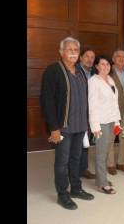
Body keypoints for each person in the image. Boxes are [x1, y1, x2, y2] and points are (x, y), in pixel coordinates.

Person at [40, 37, 94, 210]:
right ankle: (62, 194)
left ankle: (76, 189)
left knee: (76, 160)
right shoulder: (53, 71)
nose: (73, 53)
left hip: (79, 126)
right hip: (63, 127)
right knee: (62, 162)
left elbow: (85, 100)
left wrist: (88, 124)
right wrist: (53, 128)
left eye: (76, 50)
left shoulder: (80, 72)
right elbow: (47, 101)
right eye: (69, 49)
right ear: (61, 51)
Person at [88, 55, 120, 194]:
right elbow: (92, 106)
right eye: (102, 64)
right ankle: (102, 183)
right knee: (101, 153)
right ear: (96, 66)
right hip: (101, 122)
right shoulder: (93, 81)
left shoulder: (110, 80)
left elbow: (114, 103)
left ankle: (101, 178)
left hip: (111, 120)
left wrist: (117, 122)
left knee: (106, 151)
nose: (105, 66)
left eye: (107, 64)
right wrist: (95, 127)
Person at [108, 50, 124, 174]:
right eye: (118, 56)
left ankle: (121, 162)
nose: (121, 59)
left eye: (123, 57)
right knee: (111, 138)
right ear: (113, 58)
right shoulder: (108, 72)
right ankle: (110, 164)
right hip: (112, 112)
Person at [76, 47, 96, 180]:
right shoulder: (75, 71)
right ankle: (74, 170)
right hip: (77, 113)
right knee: (76, 143)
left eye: (92, 57)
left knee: (85, 142)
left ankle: (83, 169)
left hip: (90, 113)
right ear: (81, 57)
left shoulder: (94, 73)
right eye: (87, 56)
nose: (89, 59)